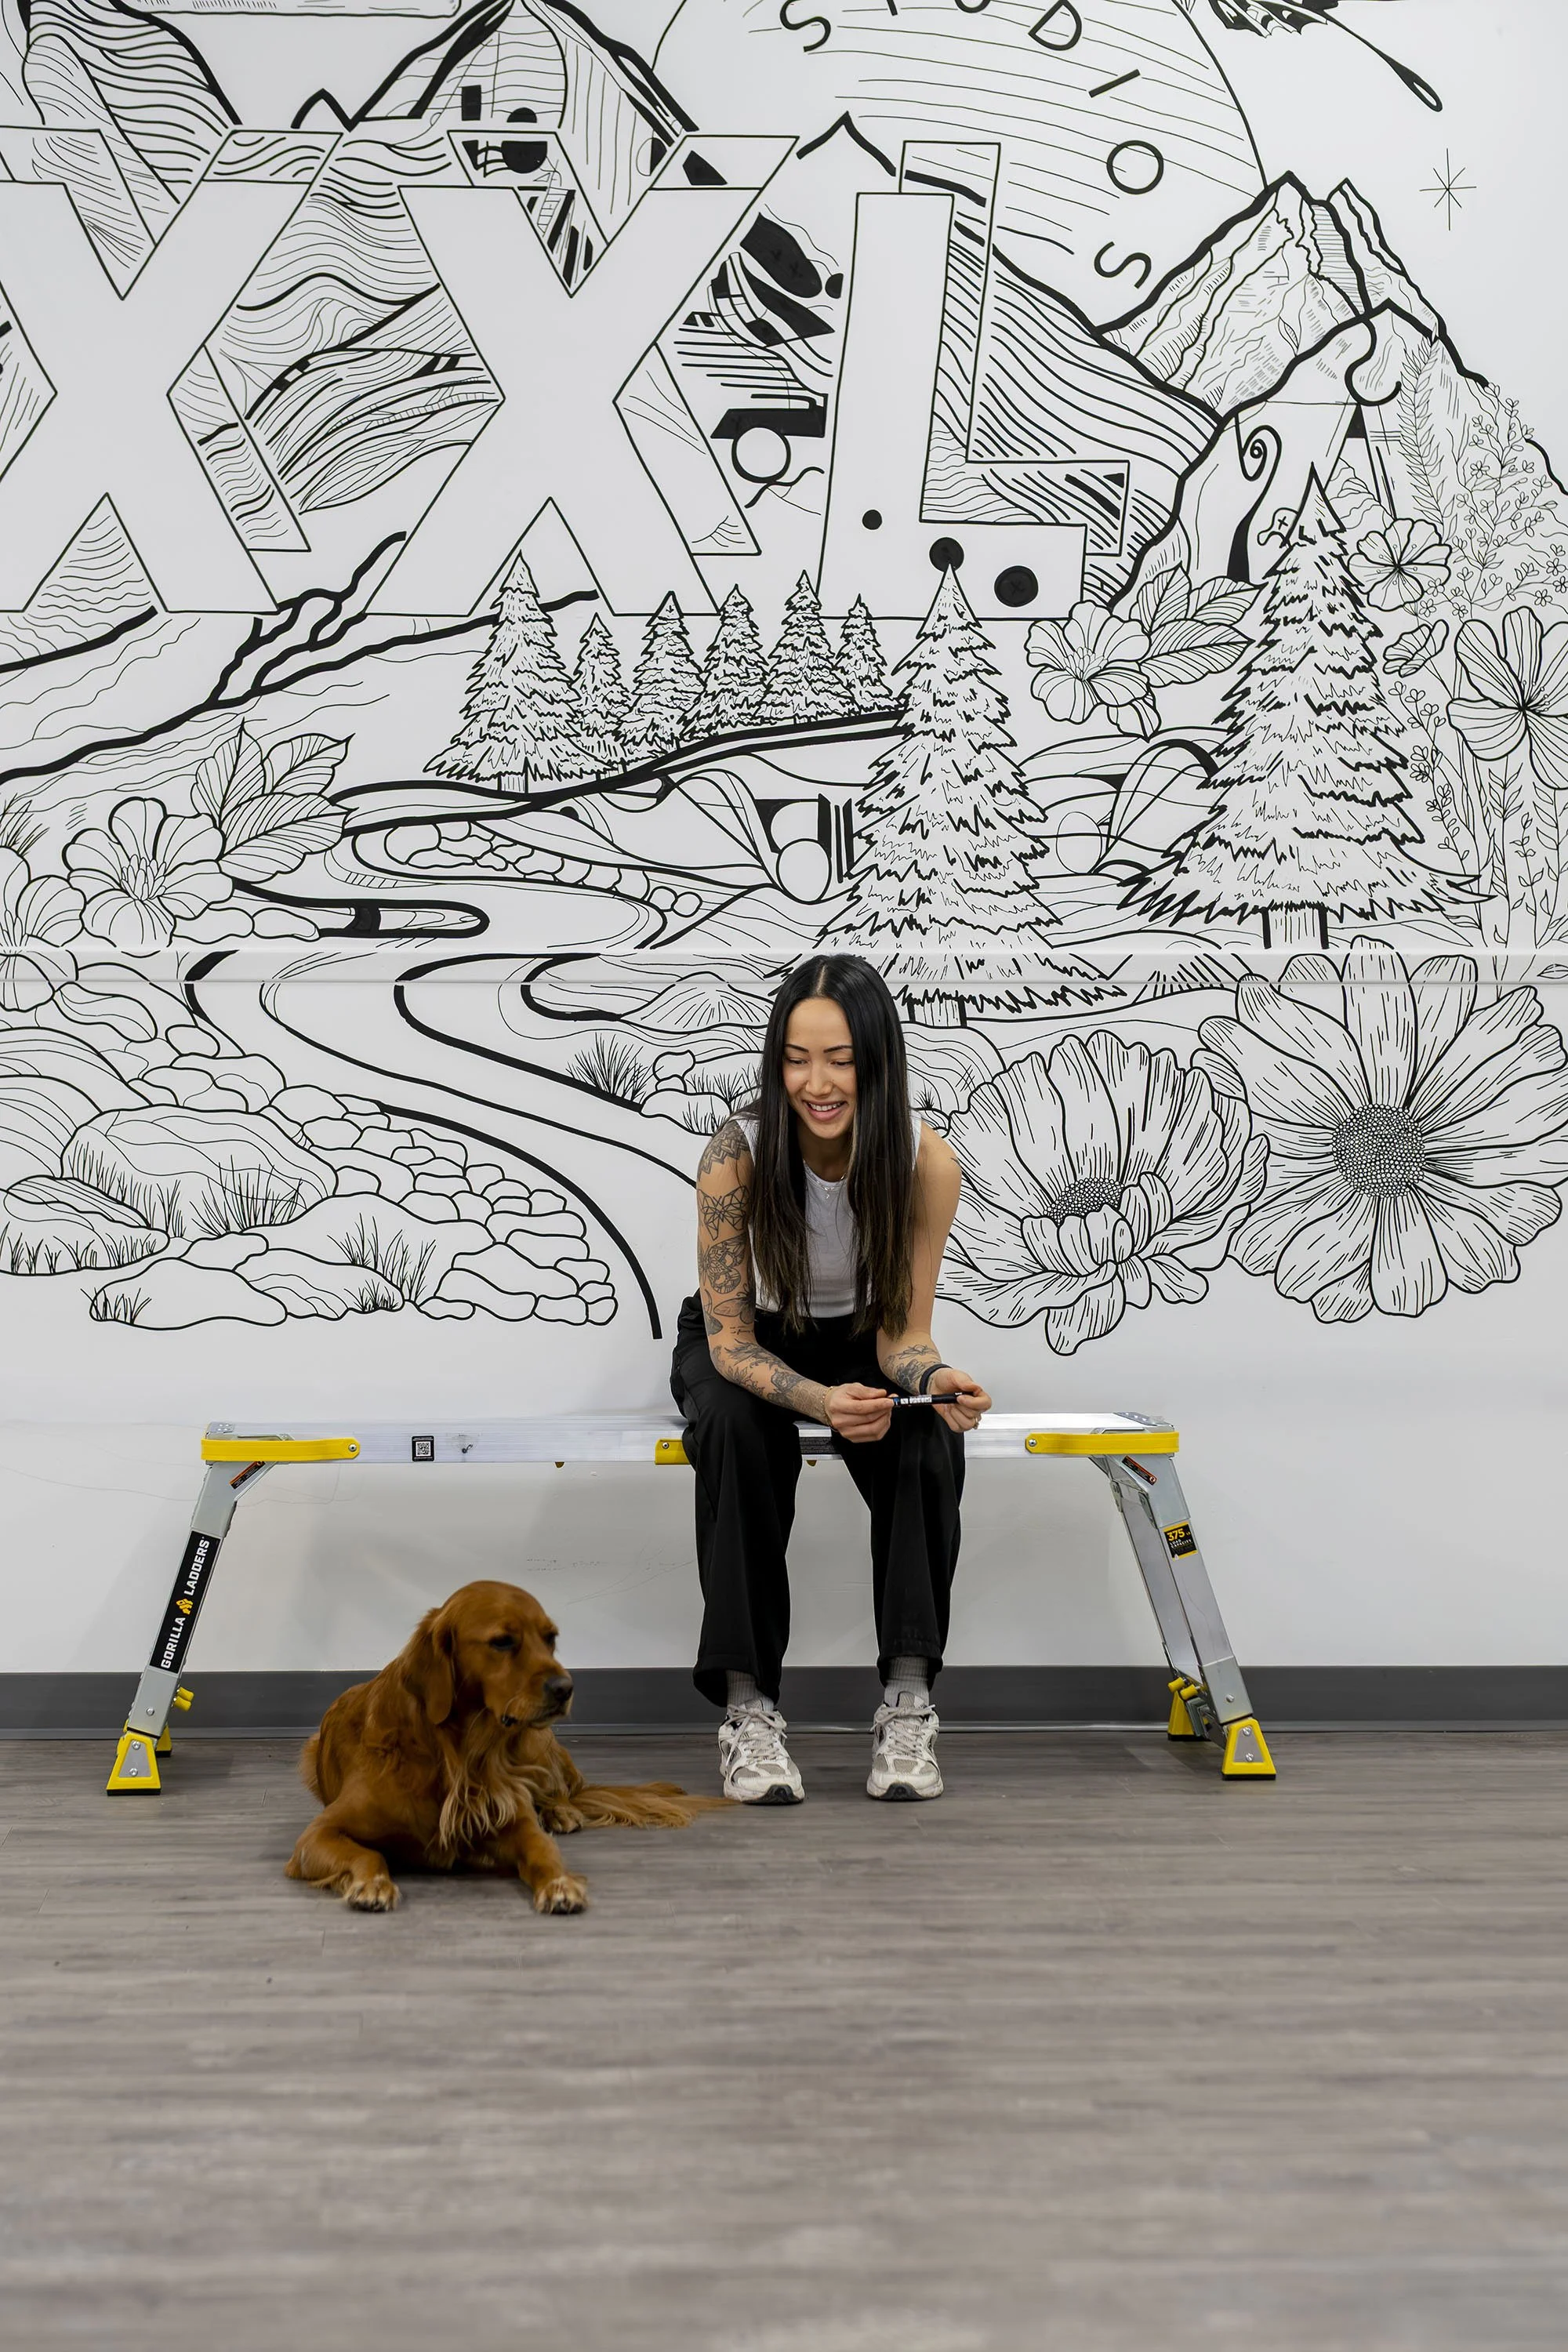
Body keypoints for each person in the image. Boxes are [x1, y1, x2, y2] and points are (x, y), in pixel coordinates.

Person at [670, 955, 992, 1806]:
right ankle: (748, 1711)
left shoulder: (925, 1163)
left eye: (840, 1058)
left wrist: (939, 1377)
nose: (816, 1082)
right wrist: (816, 1402)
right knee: (737, 1432)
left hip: (857, 1337)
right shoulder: (735, 1155)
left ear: (877, 1061)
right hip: (745, 1335)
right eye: (796, 1058)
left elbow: (903, 1338)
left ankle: (908, 1699)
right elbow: (731, 1340)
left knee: (924, 1430)